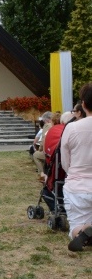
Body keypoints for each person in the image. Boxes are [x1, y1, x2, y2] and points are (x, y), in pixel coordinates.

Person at [61, 84, 92, 251]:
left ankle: (82, 231)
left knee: (75, 226)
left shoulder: (71, 128)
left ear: (83, 105)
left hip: (77, 186)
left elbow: (65, 162)